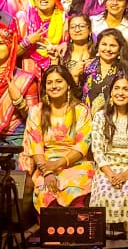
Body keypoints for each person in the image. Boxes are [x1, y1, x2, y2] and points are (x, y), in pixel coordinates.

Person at [23, 64, 92, 212]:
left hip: (76, 164)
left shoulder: (81, 111)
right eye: (49, 82)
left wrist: (58, 164)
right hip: (45, 164)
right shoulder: (37, 111)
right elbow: (36, 146)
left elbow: (83, 146)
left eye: (59, 81)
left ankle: (75, 227)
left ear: (68, 84)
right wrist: (48, 171)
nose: (54, 86)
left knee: (74, 192)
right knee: (46, 192)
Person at [89, 72, 128, 246]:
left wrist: (126, 175)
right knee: (103, 194)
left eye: (125, 89)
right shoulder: (101, 117)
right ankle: (100, 240)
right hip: (107, 168)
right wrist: (111, 175)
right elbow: (97, 149)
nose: (120, 93)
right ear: (111, 92)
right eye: (117, 88)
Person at [18, 0, 69, 74]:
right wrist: (28, 41)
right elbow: (10, 53)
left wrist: (63, 46)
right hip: (27, 73)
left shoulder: (65, 19)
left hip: (56, 71)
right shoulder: (22, 18)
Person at [79, 28, 128, 111]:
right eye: (104, 44)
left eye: (112, 45)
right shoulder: (87, 67)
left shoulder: (125, 70)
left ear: (120, 49)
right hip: (87, 116)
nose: (108, 49)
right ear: (98, 46)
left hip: (114, 116)